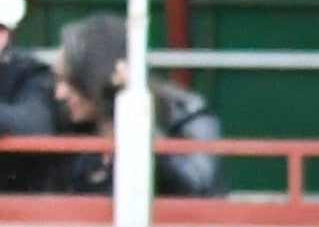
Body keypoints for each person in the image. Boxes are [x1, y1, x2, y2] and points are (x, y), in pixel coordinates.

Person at [9, 14, 219, 199]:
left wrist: (137, 120)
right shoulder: (70, 123)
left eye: (71, 82)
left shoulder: (186, 114)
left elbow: (196, 187)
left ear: (98, 78)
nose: (59, 93)